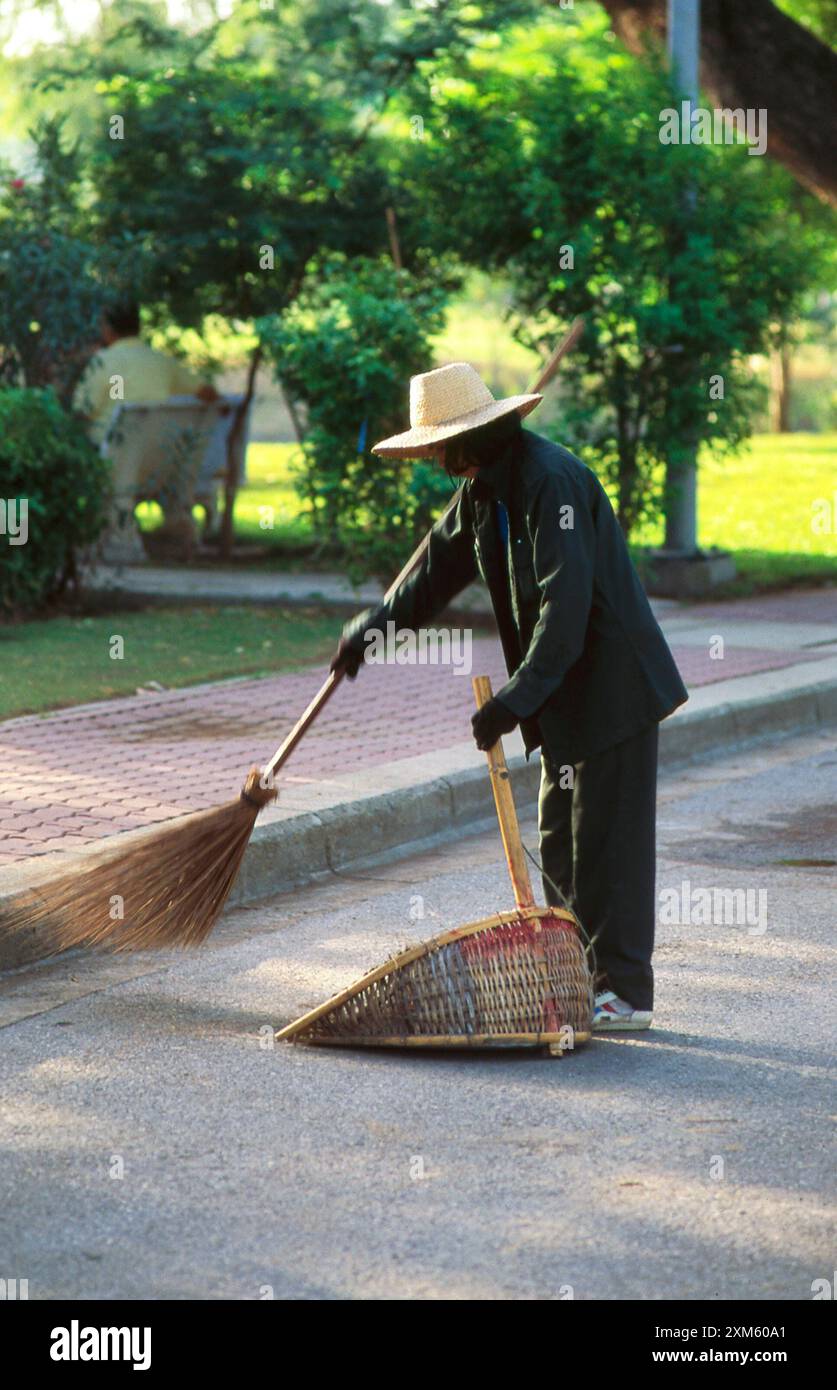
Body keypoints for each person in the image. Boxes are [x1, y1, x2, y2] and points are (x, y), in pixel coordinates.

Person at [331, 362, 688, 1032]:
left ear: (478, 434)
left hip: (612, 687)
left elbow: (564, 605)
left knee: (606, 848)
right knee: (561, 845)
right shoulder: (481, 493)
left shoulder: (550, 481)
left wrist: (514, 700)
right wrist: (370, 633)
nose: (439, 460)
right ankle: (575, 977)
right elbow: (432, 574)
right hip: (558, 695)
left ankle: (624, 993)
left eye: (444, 445)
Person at [74, 300, 217, 444]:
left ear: (109, 329)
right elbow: (208, 392)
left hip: (107, 450)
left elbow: (83, 412)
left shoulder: (104, 361)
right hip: (154, 450)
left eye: (101, 324)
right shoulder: (162, 360)